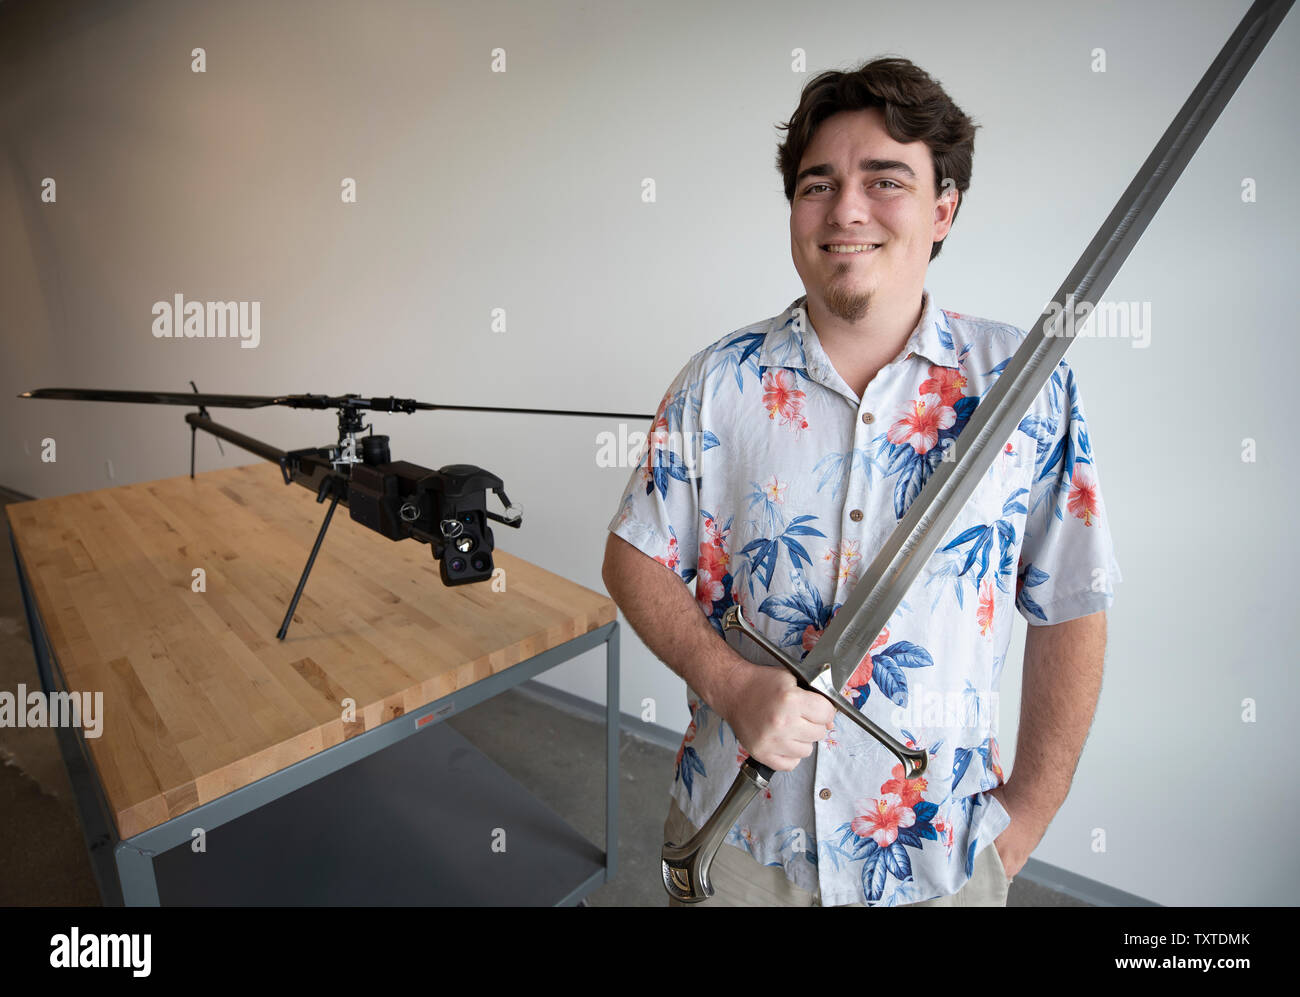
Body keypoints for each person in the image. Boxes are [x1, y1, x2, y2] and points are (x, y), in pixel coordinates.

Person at [602, 56, 1119, 907]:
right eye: (818, 185)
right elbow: (634, 556)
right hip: (736, 846)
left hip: (936, 864)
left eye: (886, 180)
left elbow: (1072, 601)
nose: (846, 210)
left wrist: (1025, 817)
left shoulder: (1026, 387)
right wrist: (733, 685)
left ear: (943, 208)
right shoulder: (718, 383)